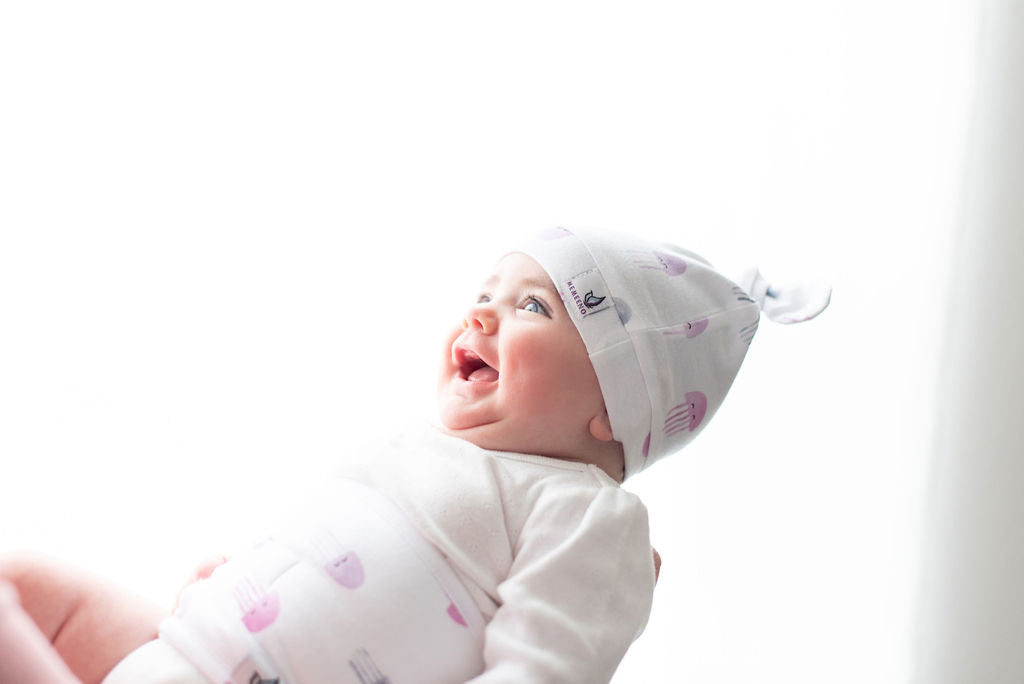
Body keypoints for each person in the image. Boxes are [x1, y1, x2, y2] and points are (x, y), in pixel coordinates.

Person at [0, 227, 829, 684]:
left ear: (618, 406)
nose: (481, 316)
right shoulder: (423, 449)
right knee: (24, 587)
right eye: (484, 294)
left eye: (533, 307)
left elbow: (542, 671)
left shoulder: (587, 514)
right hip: (187, 651)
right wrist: (233, 582)